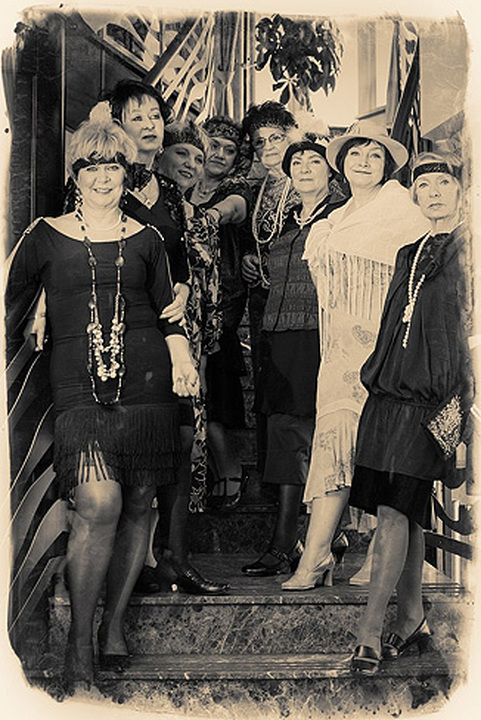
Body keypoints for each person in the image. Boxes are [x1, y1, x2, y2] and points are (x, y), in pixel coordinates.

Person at [5, 116, 199, 690]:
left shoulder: (148, 239)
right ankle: (79, 643)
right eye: (91, 166)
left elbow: (168, 312)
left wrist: (183, 358)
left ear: (126, 172)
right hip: (77, 386)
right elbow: (10, 300)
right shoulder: (44, 234)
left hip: (147, 384)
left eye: (113, 165)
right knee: (98, 501)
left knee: (139, 500)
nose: (102, 176)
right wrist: (40, 306)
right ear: (76, 174)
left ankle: (113, 626)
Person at [282, 120, 429, 591]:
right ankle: (317, 554)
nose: (364, 162)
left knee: (380, 449)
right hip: (339, 352)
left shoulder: (405, 212)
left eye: (374, 155)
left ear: (386, 166)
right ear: (342, 163)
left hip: (386, 350)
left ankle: (373, 554)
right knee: (334, 442)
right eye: (356, 154)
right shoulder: (331, 221)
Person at [349, 152, 473, 674]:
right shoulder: (408, 251)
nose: (435, 192)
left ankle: (369, 631)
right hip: (387, 396)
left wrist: (464, 400)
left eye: (444, 183)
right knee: (403, 506)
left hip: (434, 398)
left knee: (395, 511)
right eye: (425, 186)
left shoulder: (471, 248)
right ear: (415, 196)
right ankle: (412, 619)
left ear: (461, 191)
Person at [104, 80, 228, 596]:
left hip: (173, 332)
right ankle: (126, 562)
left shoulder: (171, 192)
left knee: (182, 438)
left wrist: (182, 288)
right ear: (117, 125)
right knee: (133, 448)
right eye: (137, 117)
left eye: (155, 115)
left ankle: (175, 558)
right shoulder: (103, 179)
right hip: (123, 331)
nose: (150, 124)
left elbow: (178, 261)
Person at [241, 134, 346, 577]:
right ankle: (314, 537)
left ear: (330, 171)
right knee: (284, 431)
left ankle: (295, 539)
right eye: (296, 162)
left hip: (318, 333)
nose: (304, 167)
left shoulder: (340, 215)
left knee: (303, 432)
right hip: (278, 333)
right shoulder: (285, 220)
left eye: (313, 161)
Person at [187, 115, 252, 510]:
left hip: (219, 303)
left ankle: (229, 467)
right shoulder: (179, 183)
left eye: (230, 151)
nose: (220, 155)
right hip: (179, 298)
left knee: (214, 393)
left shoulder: (234, 188)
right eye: (213, 146)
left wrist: (210, 215)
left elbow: (235, 209)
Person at [241, 101, 300, 472]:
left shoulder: (308, 178)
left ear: (291, 136)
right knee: (265, 382)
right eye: (260, 141)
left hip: (296, 300)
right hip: (262, 297)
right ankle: (268, 474)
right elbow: (260, 236)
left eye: (276, 138)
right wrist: (250, 256)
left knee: (291, 385)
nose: (268, 147)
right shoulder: (260, 187)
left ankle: (292, 478)